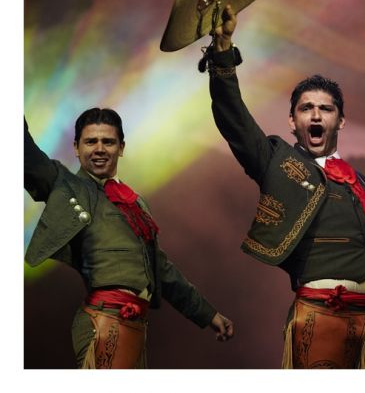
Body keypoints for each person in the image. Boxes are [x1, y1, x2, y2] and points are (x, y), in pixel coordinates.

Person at [205, 4, 365, 369]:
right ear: (292, 121)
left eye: (325, 109)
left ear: (340, 121)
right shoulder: (277, 161)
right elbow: (234, 118)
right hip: (319, 317)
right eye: (306, 108)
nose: (315, 115)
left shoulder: (358, 181)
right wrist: (222, 54)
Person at [24, 108, 234, 368]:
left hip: (133, 325)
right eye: (91, 141)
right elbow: (27, 157)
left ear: (121, 148)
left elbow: (162, 270)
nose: (99, 148)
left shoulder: (135, 203)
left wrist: (208, 314)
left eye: (108, 142)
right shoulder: (67, 187)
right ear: (76, 148)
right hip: (105, 320)